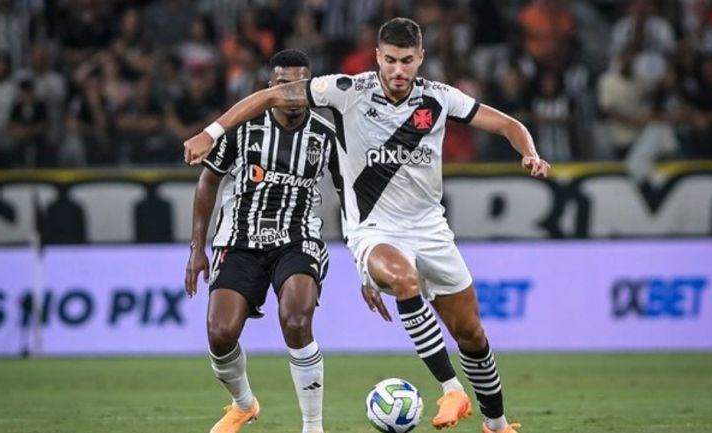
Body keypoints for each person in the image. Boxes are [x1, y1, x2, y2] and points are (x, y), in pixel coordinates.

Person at [184, 18, 550, 433]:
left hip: (431, 230)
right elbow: (271, 95)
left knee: (472, 334)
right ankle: (450, 388)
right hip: (374, 231)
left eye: (407, 61)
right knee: (404, 281)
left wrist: (529, 153)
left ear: (420, 59)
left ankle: (497, 425)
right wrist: (210, 133)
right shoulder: (346, 91)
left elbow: (508, 125)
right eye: (390, 60)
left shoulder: (440, 98)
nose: (398, 70)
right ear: (377, 57)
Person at [184, 49, 341, 433]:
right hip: (239, 241)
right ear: (269, 87)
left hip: (298, 238)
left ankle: (313, 426)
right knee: (220, 334)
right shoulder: (243, 128)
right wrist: (197, 248)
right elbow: (209, 180)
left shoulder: (327, 135)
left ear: (311, 85)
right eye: (282, 84)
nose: (291, 92)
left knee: (297, 318)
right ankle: (243, 404)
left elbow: (350, 191)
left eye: (299, 83)